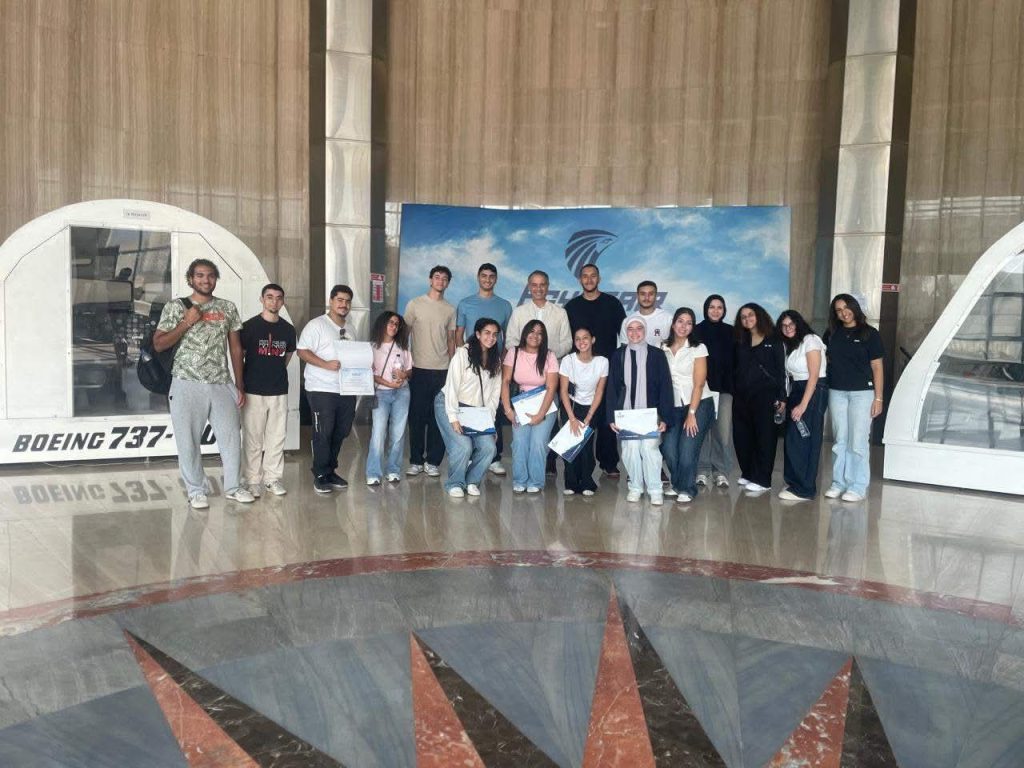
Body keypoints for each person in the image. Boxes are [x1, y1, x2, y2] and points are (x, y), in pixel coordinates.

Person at [154, 258, 252, 509]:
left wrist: (239, 385)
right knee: (188, 441)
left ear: (215, 278)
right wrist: (186, 321)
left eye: (210, 275)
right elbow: (159, 344)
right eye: (199, 275)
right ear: (190, 279)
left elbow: (235, 348)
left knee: (231, 439)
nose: (205, 280)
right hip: (186, 382)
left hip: (221, 383)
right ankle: (196, 490)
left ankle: (234, 487)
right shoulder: (175, 307)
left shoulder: (227, 307)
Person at [564, 263, 626, 478]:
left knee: (606, 418)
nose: (589, 279)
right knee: (579, 417)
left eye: (593, 276)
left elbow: (624, 337)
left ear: (599, 279)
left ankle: (609, 462)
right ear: (580, 279)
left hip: (607, 370)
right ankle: (579, 464)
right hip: (579, 371)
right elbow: (567, 340)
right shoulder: (571, 307)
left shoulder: (613, 304)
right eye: (585, 276)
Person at [823, 294, 884, 502]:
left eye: (846, 308)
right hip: (837, 392)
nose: (844, 313)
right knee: (840, 440)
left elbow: (877, 367)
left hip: (863, 394)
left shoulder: (870, 334)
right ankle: (838, 483)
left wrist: (878, 398)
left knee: (857, 441)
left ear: (854, 308)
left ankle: (857, 486)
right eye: (839, 310)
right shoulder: (832, 333)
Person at [296, 284, 357, 494]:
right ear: (331, 301)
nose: (344, 304)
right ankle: (321, 474)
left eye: (347, 301)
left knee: (342, 430)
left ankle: (331, 470)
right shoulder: (317, 325)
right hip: (321, 387)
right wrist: (325, 364)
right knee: (324, 431)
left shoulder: (351, 329)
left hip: (346, 388)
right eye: (339, 300)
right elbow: (302, 351)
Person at [607, 316, 674, 504]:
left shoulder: (657, 355)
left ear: (645, 331)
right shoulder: (618, 355)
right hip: (626, 414)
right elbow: (612, 388)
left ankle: (655, 489)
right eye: (630, 329)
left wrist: (664, 417)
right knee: (630, 450)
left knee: (650, 449)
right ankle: (635, 487)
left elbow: (665, 387)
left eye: (639, 328)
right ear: (625, 332)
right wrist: (611, 417)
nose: (634, 332)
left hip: (650, 415)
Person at [455, 263, 513, 476]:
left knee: (492, 405)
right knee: (470, 405)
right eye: (484, 276)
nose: (487, 279)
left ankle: (494, 457)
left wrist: (502, 360)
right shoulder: (465, 303)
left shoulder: (504, 305)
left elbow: (507, 336)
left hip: (494, 364)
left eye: (491, 276)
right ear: (478, 277)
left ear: (495, 279)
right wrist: (465, 357)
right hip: (472, 364)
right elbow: (458, 334)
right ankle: (473, 454)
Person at [435, 318, 503, 497]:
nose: (491, 338)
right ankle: (455, 483)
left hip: (476, 411)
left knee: (489, 447)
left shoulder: (496, 360)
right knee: (463, 446)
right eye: (487, 333)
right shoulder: (463, 354)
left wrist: (490, 424)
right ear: (478, 334)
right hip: (450, 404)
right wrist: (453, 417)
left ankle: (472, 480)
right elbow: (452, 386)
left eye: (495, 334)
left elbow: (494, 396)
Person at [240, 283, 296, 498]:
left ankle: (272, 479)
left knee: (277, 437)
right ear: (262, 299)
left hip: (279, 391)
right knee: (252, 439)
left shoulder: (288, 329)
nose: (274, 301)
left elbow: (287, 358)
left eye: (278, 297)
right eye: (270, 297)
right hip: (253, 390)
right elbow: (240, 356)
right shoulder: (249, 327)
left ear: (283, 301)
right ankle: (252, 480)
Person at [404, 265, 456, 478]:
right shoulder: (415, 304)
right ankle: (416, 460)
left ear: (448, 283)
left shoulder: (450, 309)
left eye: (444, 279)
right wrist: (405, 365)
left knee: (438, 418)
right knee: (417, 417)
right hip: (418, 369)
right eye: (437, 277)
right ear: (430, 280)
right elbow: (404, 335)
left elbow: (451, 340)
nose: (440, 281)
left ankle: (433, 461)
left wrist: (453, 369)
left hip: (442, 370)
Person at [661, 308, 716, 503]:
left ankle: (687, 488)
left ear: (692, 327)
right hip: (674, 406)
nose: (684, 326)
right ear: (673, 324)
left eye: (689, 323)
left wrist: (692, 413)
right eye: (680, 321)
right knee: (669, 449)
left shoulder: (698, 348)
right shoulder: (663, 347)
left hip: (699, 404)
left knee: (687, 450)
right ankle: (677, 484)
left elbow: (699, 383)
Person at [732, 303, 787, 494]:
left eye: (750, 315)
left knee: (765, 438)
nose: (747, 319)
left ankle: (763, 479)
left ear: (759, 316)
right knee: (742, 436)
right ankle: (748, 473)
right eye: (743, 317)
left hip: (766, 396)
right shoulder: (740, 340)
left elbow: (781, 370)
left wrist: (782, 397)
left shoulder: (774, 339)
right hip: (742, 396)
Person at [501, 319, 559, 492]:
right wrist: (508, 410)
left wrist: (541, 414)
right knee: (519, 442)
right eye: (532, 331)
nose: (535, 336)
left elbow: (551, 387)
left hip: (545, 402)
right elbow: (505, 381)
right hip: (522, 402)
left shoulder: (549, 355)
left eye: (540, 333)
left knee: (538, 442)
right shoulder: (514, 352)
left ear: (544, 337)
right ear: (525, 333)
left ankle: (535, 482)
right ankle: (520, 480)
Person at [777, 309, 828, 501]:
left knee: (804, 438)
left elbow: (814, 375)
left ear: (799, 323)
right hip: (797, 390)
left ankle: (805, 489)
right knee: (793, 439)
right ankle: (794, 482)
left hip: (813, 390)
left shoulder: (811, 340)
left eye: (791, 324)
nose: (788, 328)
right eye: (784, 326)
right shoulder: (792, 345)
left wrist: (803, 405)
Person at [558, 326, 609, 496]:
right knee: (571, 444)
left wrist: (589, 415)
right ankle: (571, 483)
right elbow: (563, 391)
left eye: (585, 337)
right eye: (578, 339)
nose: (582, 342)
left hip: (591, 407)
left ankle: (587, 482)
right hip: (570, 406)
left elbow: (599, 391)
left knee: (586, 447)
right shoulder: (568, 360)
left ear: (592, 340)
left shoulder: (602, 362)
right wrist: (572, 418)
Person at [366, 311, 413, 486]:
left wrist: (404, 375)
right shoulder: (372, 347)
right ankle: (373, 472)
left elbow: (410, 370)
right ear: (382, 324)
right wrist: (388, 383)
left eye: (396, 324)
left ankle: (393, 470)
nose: (394, 326)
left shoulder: (402, 347)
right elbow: (369, 374)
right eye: (390, 322)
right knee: (378, 433)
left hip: (402, 392)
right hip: (382, 393)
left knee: (398, 433)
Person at [695, 294, 734, 488]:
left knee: (722, 433)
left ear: (724, 310)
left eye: (720, 307)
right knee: (701, 431)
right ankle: (701, 470)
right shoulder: (696, 331)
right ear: (705, 309)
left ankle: (720, 471)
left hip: (724, 390)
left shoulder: (732, 332)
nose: (716, 310)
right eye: (712, 307)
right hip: (701, 390)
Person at [506, 270, 573, 358]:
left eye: (542, 285)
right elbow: (510, 340)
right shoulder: (518, 312)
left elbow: (567, 342)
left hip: (553, 363)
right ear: (529, 287)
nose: (538, 289)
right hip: (523, 364)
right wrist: (525, 356)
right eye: (534, 285)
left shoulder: (560, 313)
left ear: (547, 286)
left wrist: (550, 357)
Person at [619, 280, 672, 346]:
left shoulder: (667, 318)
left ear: (656, 296)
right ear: (637, 296)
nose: (647, 298)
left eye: (651, 294)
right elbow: (624, 348)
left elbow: (675, 344)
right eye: (643, 294)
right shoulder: (627, 321)